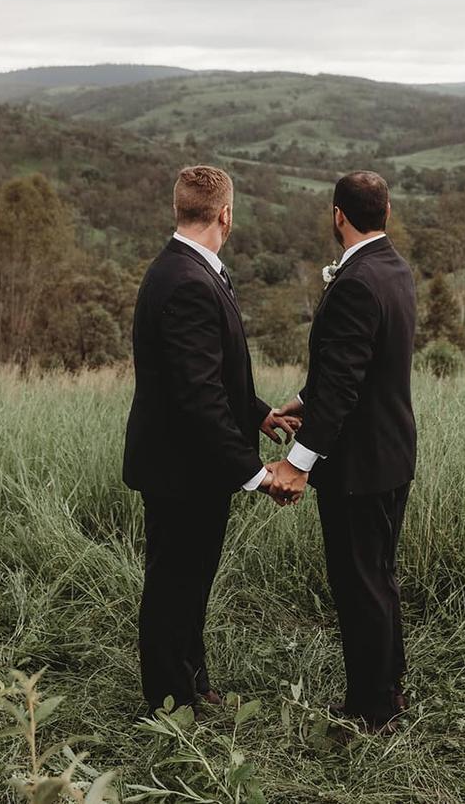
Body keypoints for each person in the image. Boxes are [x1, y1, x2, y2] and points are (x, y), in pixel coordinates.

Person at [122, 165, 297, 715]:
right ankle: (169, 700)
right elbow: (198, 396)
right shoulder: (188, 281)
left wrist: (261, 412)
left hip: (188, 466)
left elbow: (214, 375)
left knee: (191, 580)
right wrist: (255, 472)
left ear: (179, 210)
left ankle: (192, 683)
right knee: (175, 583)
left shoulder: (188, 270)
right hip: (182, 470)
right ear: (226, 214)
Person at [268, 170, 417, 734]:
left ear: (338, 215)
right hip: (392, 452)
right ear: (385, 212)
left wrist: (296, 463)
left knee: (359, 583)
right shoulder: (393, 268)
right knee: (377, 575)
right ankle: (388, 688)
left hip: (359, 465)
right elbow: (355, 367)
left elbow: (346, 386)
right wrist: (303, 400)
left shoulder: (355, 281)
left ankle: (372, 711)